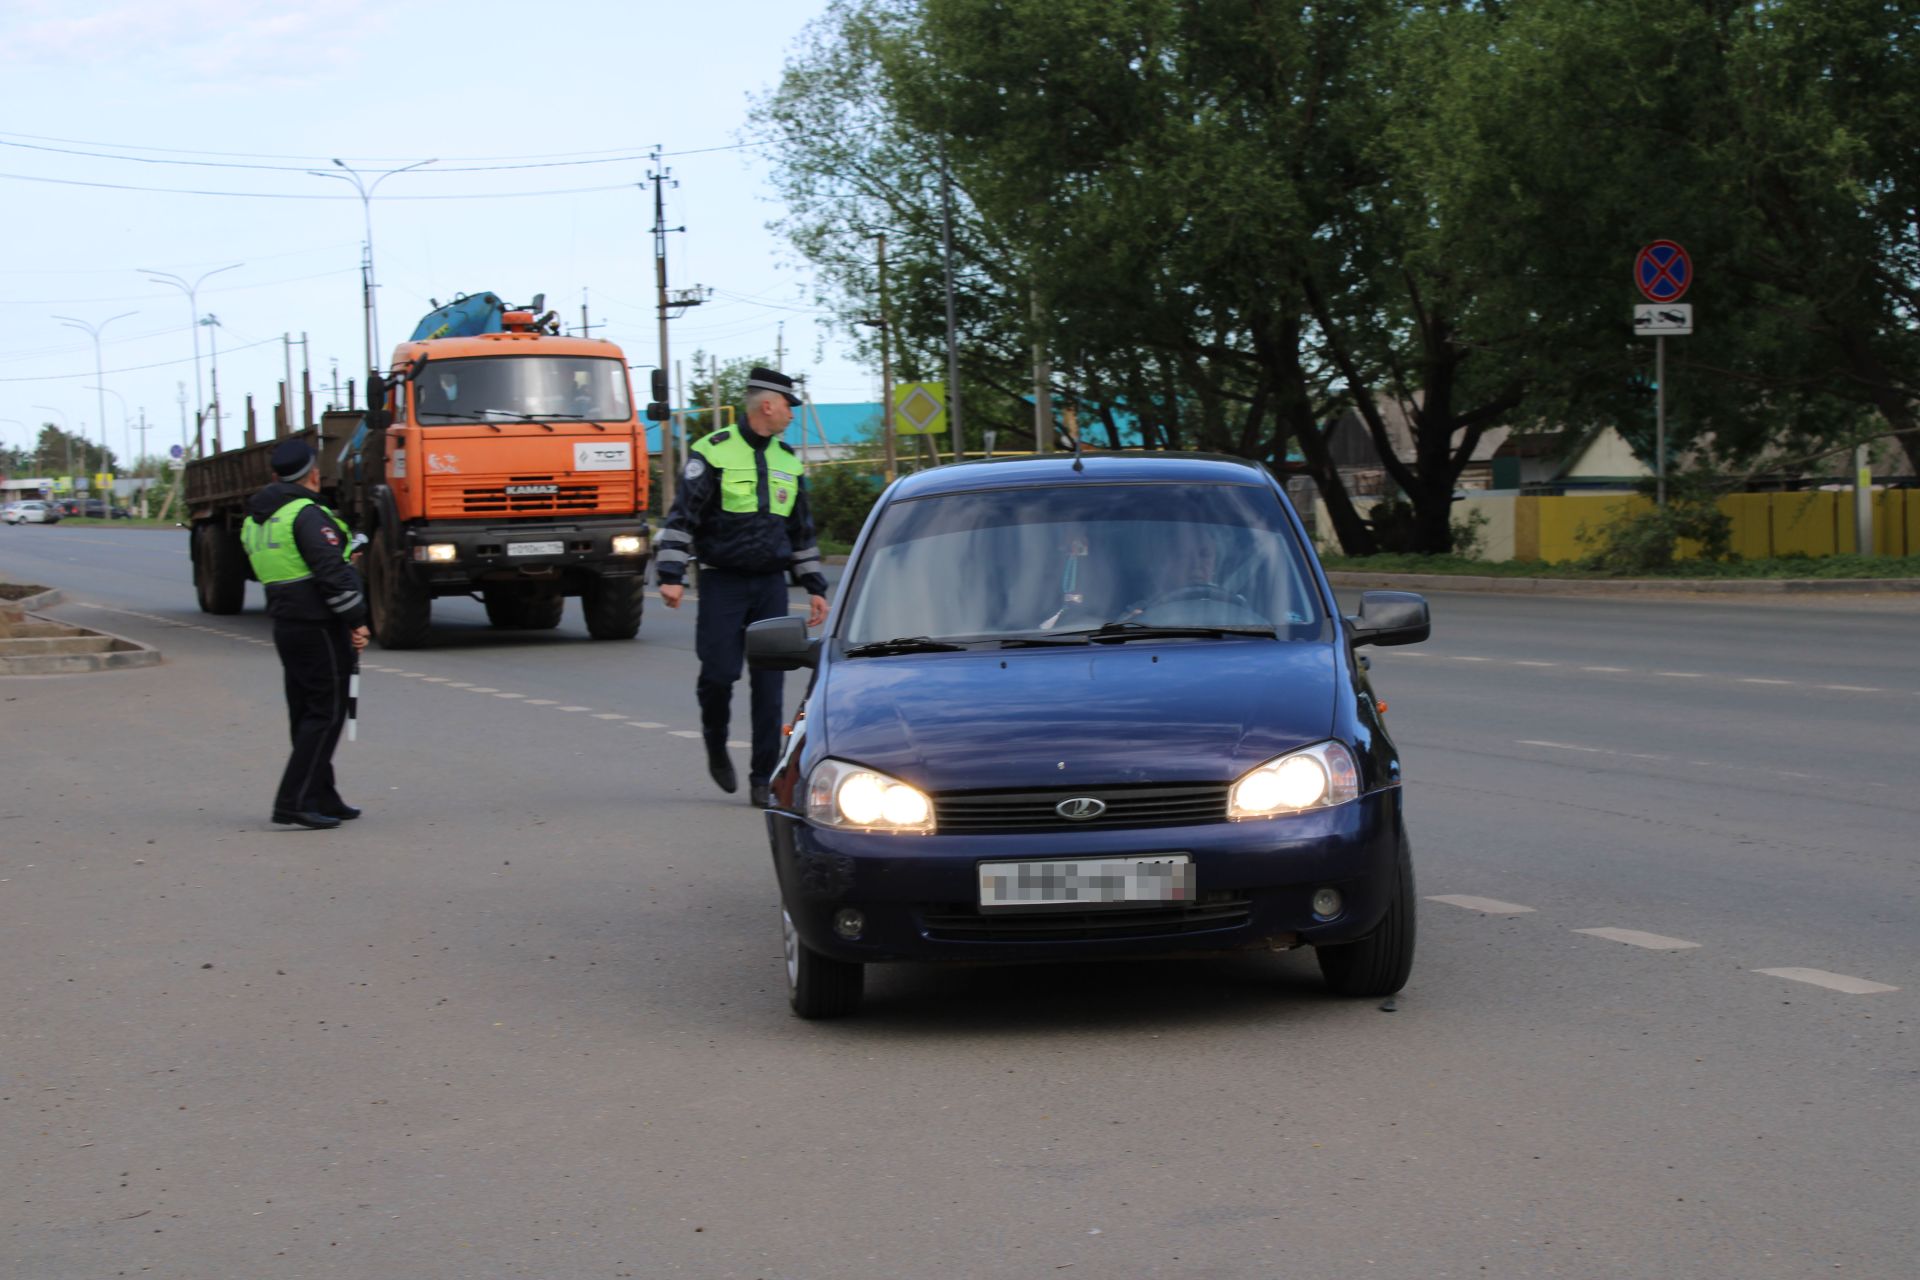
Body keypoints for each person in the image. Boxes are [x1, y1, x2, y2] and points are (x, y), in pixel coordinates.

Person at [655, 367, 830, 807]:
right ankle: (715, 745)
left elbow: (801, 532)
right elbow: (681, 518)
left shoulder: (789, 460)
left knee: (769, 686)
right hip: (722, 584)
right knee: (719, 676)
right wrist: (671, 576)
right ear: (767, 404)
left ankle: (762, 778)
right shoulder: (712, 453)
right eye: (789, 405)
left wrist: (814, 586)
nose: (793, 414)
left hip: (770, 585)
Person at [241, 439, 371, 830]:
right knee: (326, 712)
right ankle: (293, 801)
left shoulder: (257, 519)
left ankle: (322, 796)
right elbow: (331, 573)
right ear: (313, 474)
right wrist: (356, 620)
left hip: (287, 623)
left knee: (307, 713)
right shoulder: (307, 513)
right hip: (318, 626)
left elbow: (283, 566)